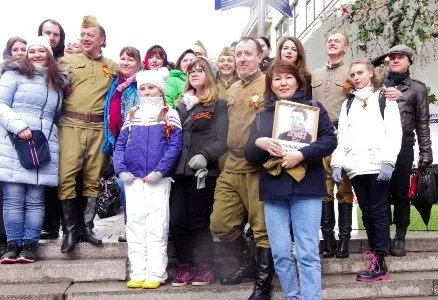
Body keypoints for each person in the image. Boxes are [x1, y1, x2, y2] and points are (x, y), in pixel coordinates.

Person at [245, 59, 337, 300]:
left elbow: (329, 140)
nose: (283, 82)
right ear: (270, 84)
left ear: (298, 80)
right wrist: (259, 142)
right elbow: (249, 155)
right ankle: (292, 296)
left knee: (307, 252)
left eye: (288, 77)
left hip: (306, 190)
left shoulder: (314, 109)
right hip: (274, 191)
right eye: (277, 78)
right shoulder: (263, 115)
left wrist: (301, 154)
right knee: (281, 253)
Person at [210, 36, 273, 300]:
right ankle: (248, 265)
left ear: (260, 56)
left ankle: (263, 284)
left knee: (262, 230)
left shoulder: (270, 83)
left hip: (257, 166)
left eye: (248, 53)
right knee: (220, 224)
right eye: (239, 54)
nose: (243, 59)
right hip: (231, 165)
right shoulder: (233, 89)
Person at [331, 58, 402, 281]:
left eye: (360, 73)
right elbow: (342, 136)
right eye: (353, 75)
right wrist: (337, 163)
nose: (356, 77)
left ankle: (380, 262)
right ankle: (375, 252)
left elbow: (394, 131)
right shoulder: (348, 104)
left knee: (379, 212)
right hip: (356, 168)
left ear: (371, 73)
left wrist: (389, 161)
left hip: (377, 164)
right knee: (367, 213)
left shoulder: (384, 98)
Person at [0, 36, 67, 263]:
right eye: (32, 51)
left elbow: (56, 116)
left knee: (37, 199)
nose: (36, 55)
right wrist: (19, 127)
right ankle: (12, 245)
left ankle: (30, 245)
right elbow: (1, 104)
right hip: (15, 141)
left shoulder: (55, 81)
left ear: (49, 55)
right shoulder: (13, 75)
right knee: (13, 198)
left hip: (42, 144)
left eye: (42, 51)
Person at [114, 68, 182, 289]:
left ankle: (156, 272)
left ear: (159, 89)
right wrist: (121, 169)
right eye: (143, 88)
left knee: (156, 224)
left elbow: (174, 146)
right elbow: (120, 144)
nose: (146, 91)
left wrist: (160, 171)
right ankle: (138, 272)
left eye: (151, 87)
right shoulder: (133, 113)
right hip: (132, 179)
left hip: (156, 179)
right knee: (135, 224)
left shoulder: (169, 113)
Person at [57, 16, 119, 253]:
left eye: (90, 36)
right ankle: (70, 231)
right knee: (67, 176)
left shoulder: (112, 66)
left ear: (102, 40)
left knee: (93, 178)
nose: (85, 39)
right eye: (83, 35)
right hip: (70, 125)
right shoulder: (66, 61)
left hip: (98, 129)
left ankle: (87, 227)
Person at [170, 57, 228, 287]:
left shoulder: (218, 105)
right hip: (177, 172)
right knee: (176, 223)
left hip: (203, 174)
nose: (194, 73)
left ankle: (206, 268)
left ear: (210, 75)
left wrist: (206, 155)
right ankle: (185, 267)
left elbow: (224, 139)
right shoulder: (179, 105)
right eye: (191, 71)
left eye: (200, 70)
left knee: (198, 222)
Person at [373, 45, 433, 256]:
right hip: (377, 147)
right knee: (379, 193)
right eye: (392, 58)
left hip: (403, 146)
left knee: (400, 193)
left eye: (400, 57)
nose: (395, 61)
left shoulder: (417, 88)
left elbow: (423, 123)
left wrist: (426, 152)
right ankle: (382, 236)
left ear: (409, 61)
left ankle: (399, 237)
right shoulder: (376, 85)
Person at [311, 32, 354, 259]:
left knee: (344, 190)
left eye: (338, 40)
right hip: (319, 135)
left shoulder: (351, 72)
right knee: (324, 190)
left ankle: (345, 241)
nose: (332, 42)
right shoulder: (314, 74)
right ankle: (328, 241)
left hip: (344, 134)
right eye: (329, 39)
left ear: (346, 47)